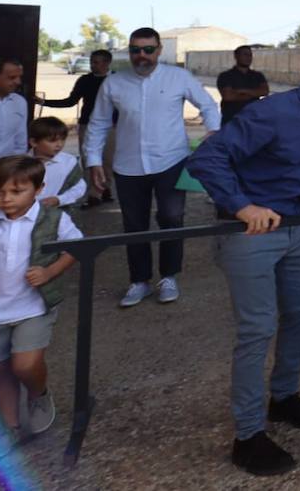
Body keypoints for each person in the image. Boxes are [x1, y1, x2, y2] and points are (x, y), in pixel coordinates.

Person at [187, 52, 300, 476]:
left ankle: (283, 398)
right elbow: (206, 159)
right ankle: (247, 436)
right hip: (251, 234)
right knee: (257, 329)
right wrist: (242, 206)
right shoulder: (272, 114)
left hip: (294, 228)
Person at [84, 27, 221, 308]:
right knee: (134, 225)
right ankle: (139, 281)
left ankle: (169, 276)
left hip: (171, 160)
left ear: (159, 50)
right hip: (128, 165)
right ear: (129, 51)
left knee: (172, 218)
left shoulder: (178, 77)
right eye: (136, 50)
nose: (142, 56)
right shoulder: (114, 83)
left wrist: (213, 134)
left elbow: (208, 105)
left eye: (148, 49)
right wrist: (94, 161)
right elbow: (98, 123)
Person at [0, 155, 81, 460]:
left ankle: (38, 394)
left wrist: (50, 272)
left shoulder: (53, 219)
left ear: (38, 189)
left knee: (24, 364)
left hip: (33, 307)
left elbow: (76, 247)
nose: (6, 199)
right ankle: (9, 428)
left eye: (16, 192)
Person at [41, 48, 115, 204]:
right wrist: (44, 102)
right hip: (87, 124)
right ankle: (92, 195)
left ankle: (105, 189)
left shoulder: (117, 80)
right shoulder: (84, 80)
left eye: (96, 62)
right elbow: (70, 101)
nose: (92, 66)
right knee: (89, 159)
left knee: (108, 160)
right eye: (91, 62)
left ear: (107, 63)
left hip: (112, 126)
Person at [0, 59, 27, 216]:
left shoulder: (19, 102)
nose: (18, 82)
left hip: (2, 181)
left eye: (19, 77)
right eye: (11, 77)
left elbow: (20, 141)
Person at [27, 118, 87, 209]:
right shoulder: (21, 164)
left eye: (62, 140)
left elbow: (79, 187)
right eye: (52, 141)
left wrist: (59, 199)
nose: (59, 144)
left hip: (58, 213)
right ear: (34, 142)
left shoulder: (68, 162)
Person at [216, 46, 270, 124]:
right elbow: (228, 96)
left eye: (250, 55)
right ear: (236, 56)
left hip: (253, 120)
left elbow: (265, 92)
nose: (248, 58)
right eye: (245, 54)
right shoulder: (225, 76)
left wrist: (241, 91)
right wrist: (253, 94)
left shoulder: (258, 75)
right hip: (231, 120)